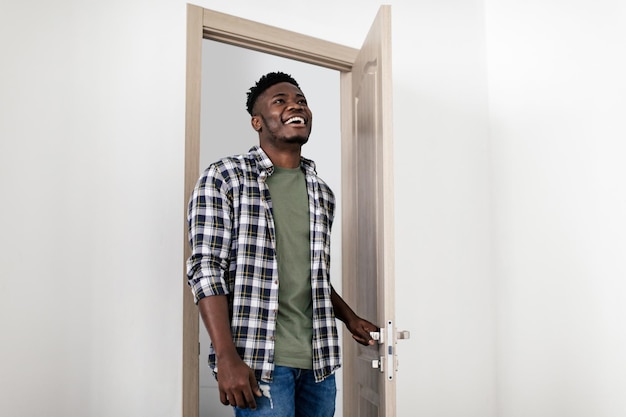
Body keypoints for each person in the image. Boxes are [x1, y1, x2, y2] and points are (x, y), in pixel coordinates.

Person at [186, 71, 377, 417]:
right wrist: (227, 358)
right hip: (259, 361)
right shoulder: (225, 177)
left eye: (301, 100)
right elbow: (206, 269)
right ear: (257, 122)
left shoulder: (323, 194)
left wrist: (349, 318)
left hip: (319, 362)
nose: (295, 106)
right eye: (281, 101)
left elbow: (309, 274)